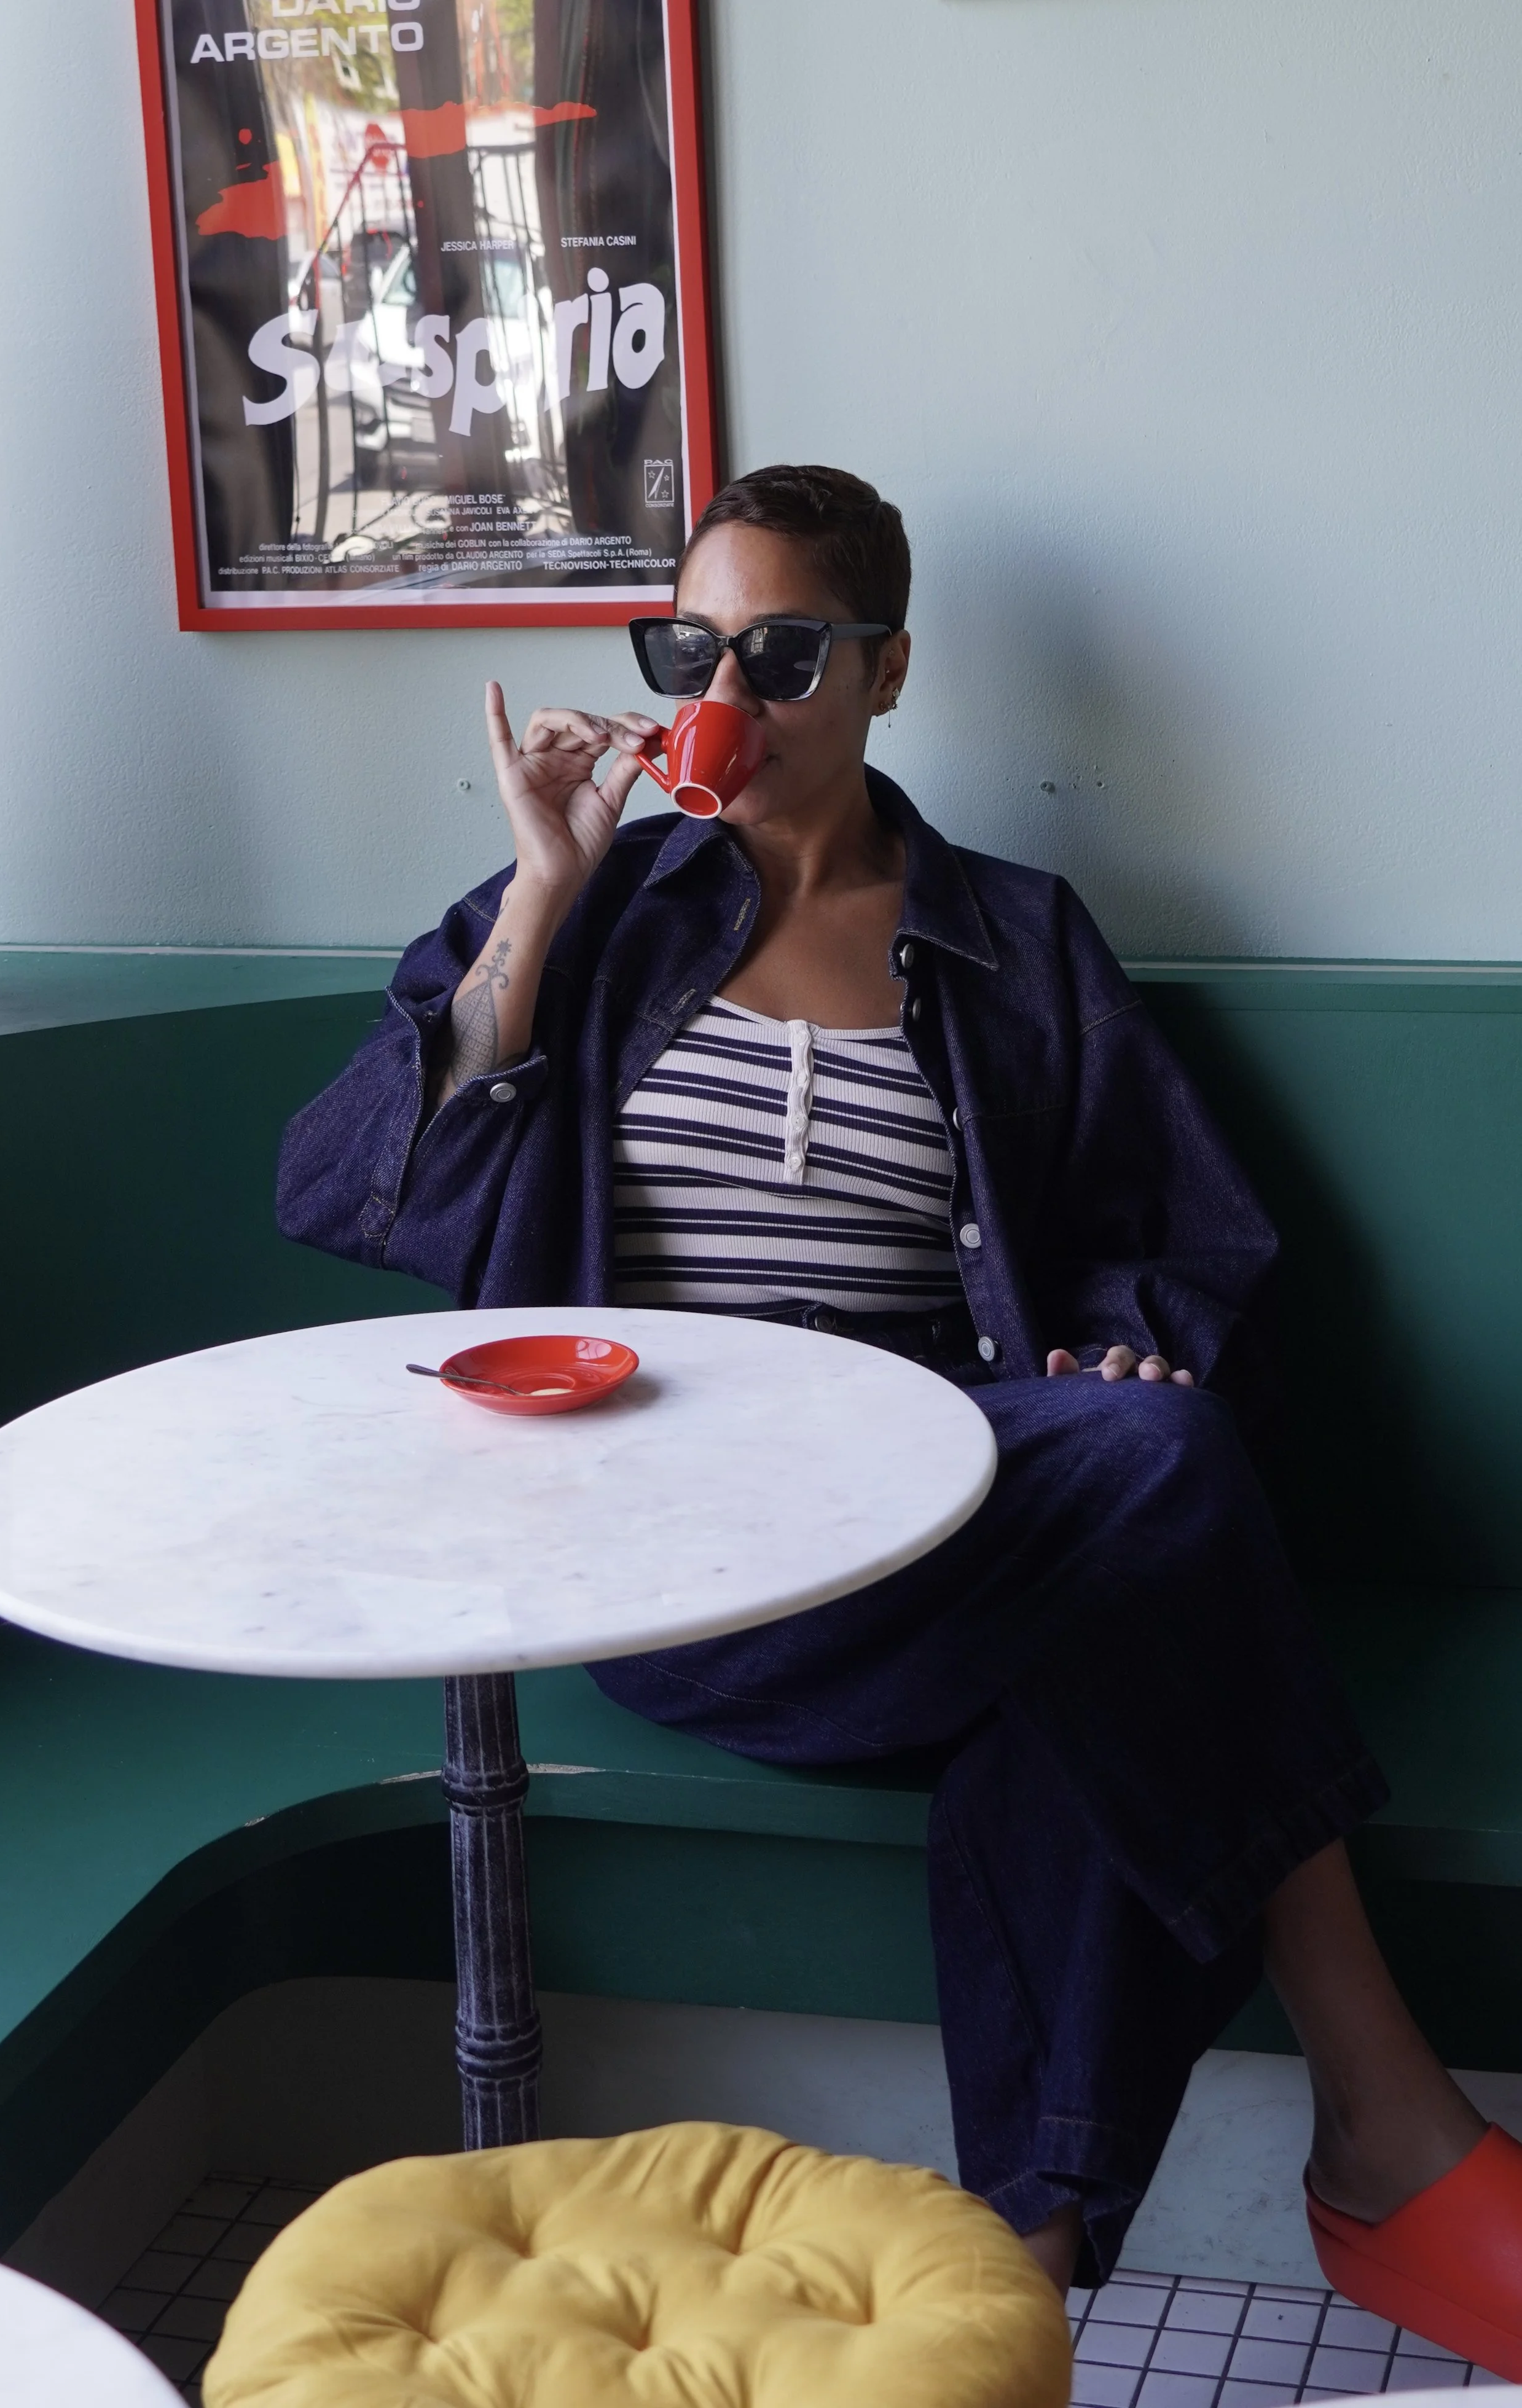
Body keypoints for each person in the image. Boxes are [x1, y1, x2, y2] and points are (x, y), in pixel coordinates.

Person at [278, 464, 1520, 2340]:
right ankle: (1384, 2122)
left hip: (941, 1522)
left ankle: (1006, 2298)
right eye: (684, 647)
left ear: (887, 671)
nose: (729, 693)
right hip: (670, 1562)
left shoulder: (1016, 942)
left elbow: (1174, 1240)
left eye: (780, 652)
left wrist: (1120, 1349)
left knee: (1114, 1561)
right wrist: (546, 884)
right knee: (1129, 1577)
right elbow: (358, 1193)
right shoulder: (592, 922)